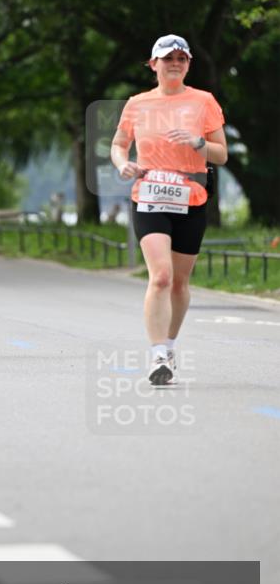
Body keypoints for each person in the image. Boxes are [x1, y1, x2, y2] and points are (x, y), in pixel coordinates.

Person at [110, 34, 227, 385]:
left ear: (188, 64)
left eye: (181, 58)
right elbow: (118, 144)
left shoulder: (203, 101)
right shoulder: (137, 103)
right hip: (148, 195)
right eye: (167, 58)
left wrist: (197, 143)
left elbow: (221, 154)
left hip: (190, 196)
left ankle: (170, 343)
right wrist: (122, 164)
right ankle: (158, 353)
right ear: (153, 64)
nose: (175, 63)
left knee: (179, 283)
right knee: (160, 276)